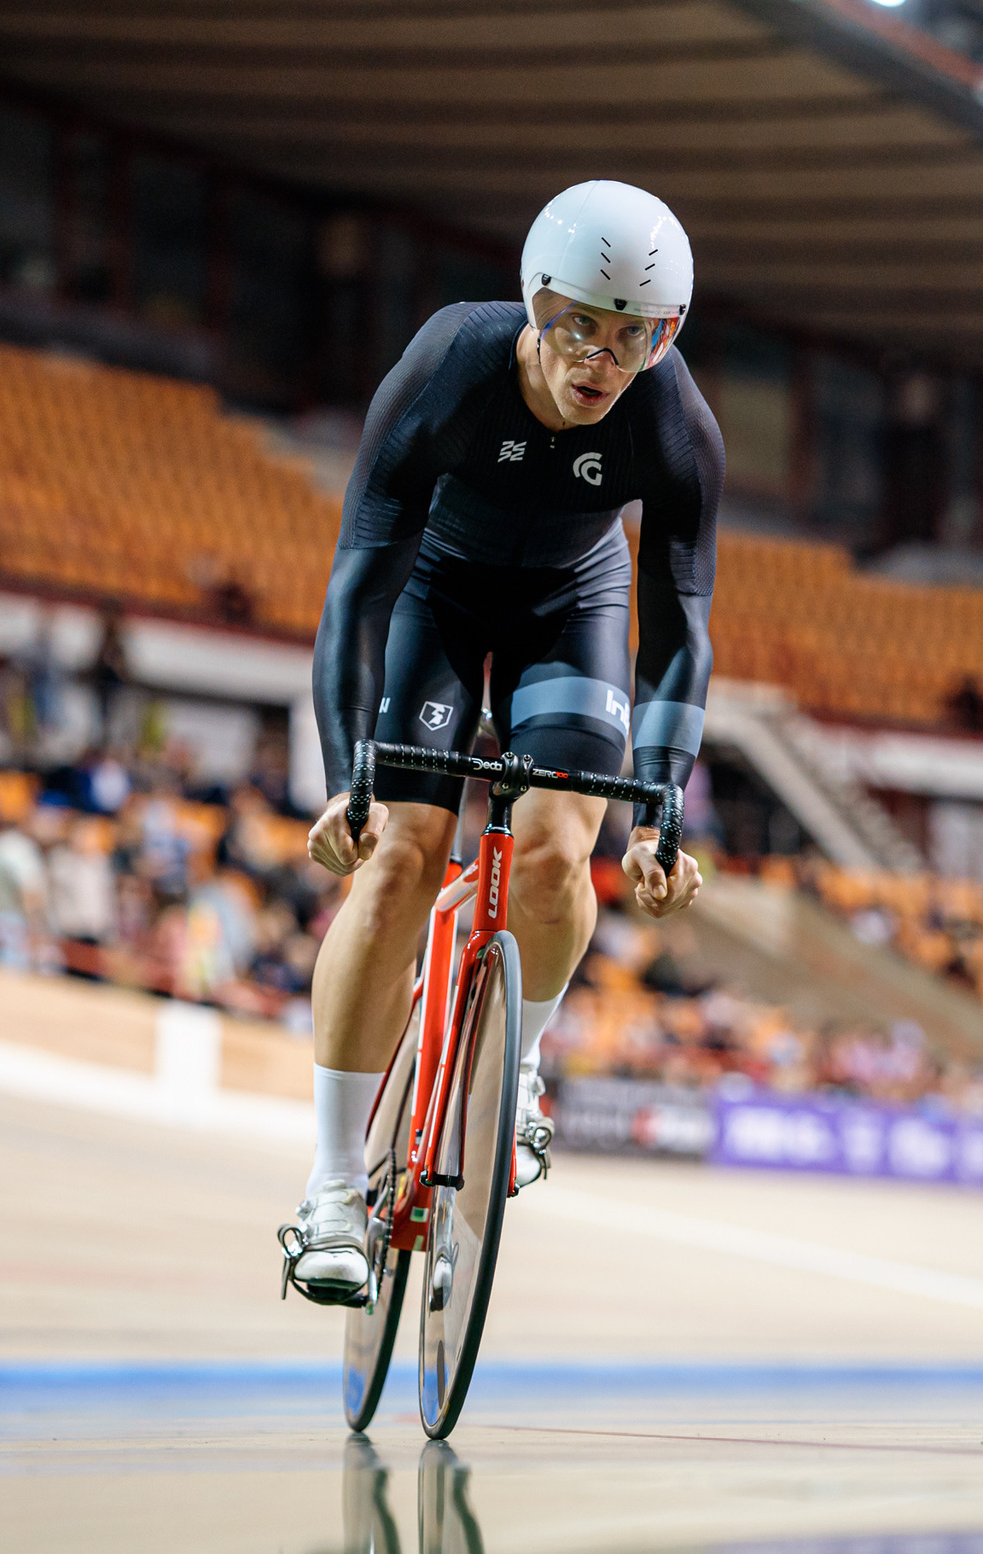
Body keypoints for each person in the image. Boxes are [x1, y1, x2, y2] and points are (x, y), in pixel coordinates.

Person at [280, 181, 721, 1303]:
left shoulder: (672, 421)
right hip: (435, 591)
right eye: (580, 323)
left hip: (575, 600)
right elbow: (358, 584)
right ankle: (332, 1188)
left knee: (559, 849)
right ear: (534, 303)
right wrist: (347, 781)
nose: (603, 358)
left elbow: (680, 626)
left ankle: (515, 1064)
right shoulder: (450, 366)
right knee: (401, 857)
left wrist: (660, 806)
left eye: (638, 337)